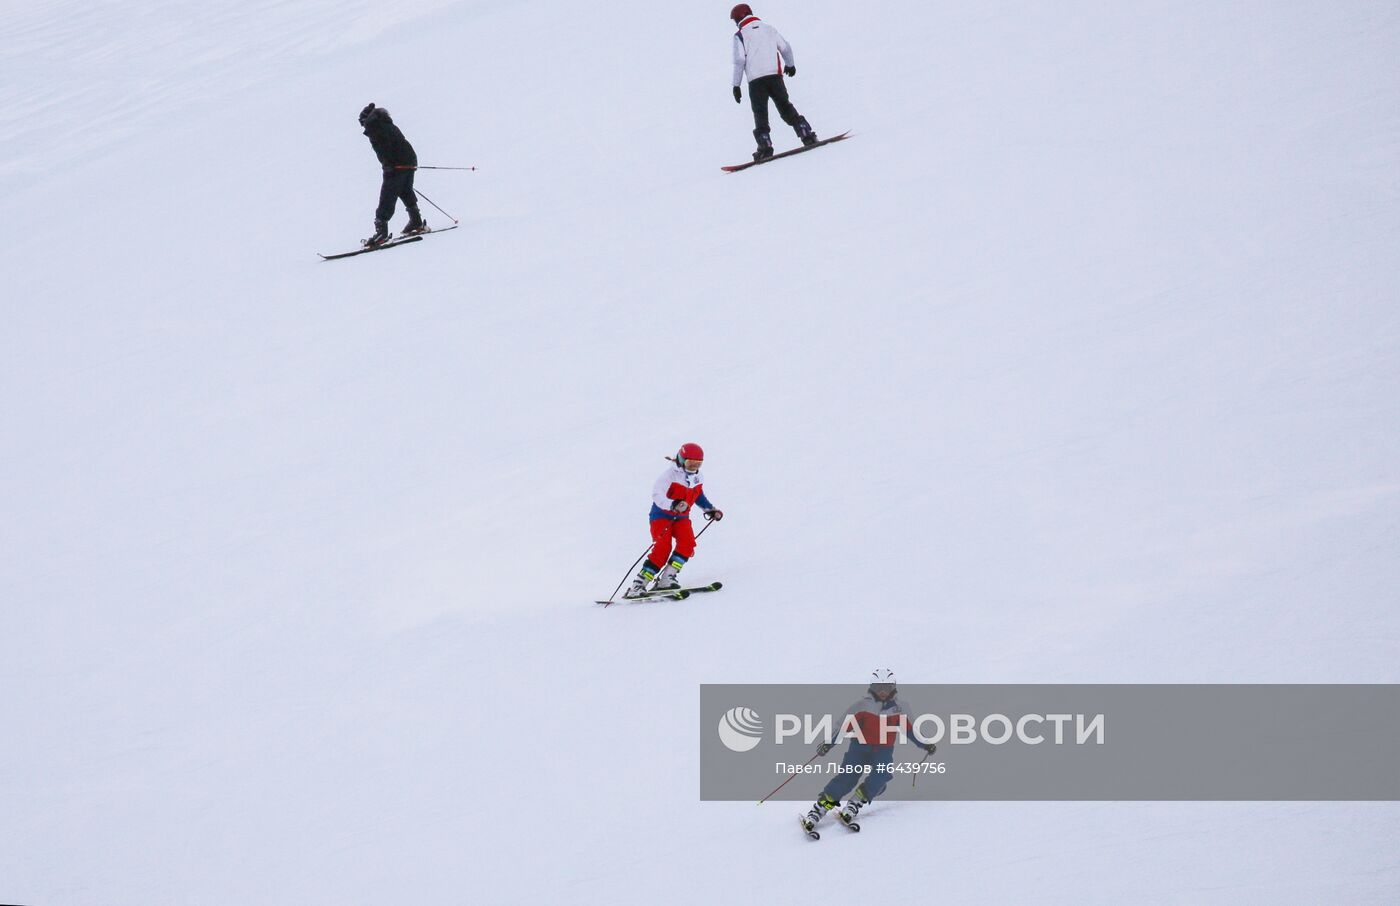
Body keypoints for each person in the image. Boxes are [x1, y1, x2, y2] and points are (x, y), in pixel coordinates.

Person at [802, 670, 937, 831]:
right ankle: (819, 809)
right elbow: (844, 725)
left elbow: (911, 729)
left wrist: (926, 744)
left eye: (886, 688)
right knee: (847, 777)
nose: (882, 692)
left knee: (881, 776)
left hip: (883, 750)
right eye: (878, 687)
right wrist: (829, 743)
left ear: (893, 688)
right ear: (871, 687)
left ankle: (855, 803)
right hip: (859, 748)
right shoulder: (862, 706)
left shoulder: (900, 708)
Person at [625, 443, 724, 598]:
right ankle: (638, 585)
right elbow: (657, 495)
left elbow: (697, 495)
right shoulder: (669, 475)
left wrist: (710, 509)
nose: (693, 468)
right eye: (690, 464)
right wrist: (672, 504)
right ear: (681, 459)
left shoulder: (698, 477)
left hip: (682, 518)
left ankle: (667, 578)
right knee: (662, 549)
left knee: (688, 544)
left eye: (697, 464)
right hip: (662, 517)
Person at [730, 4, 817, 162]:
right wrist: (790, 64)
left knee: (760, 113)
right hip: (775, 76)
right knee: (785, 106)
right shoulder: (769, 29)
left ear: (739, 19)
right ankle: (805, 132)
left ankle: (765, 146)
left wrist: (736, 85)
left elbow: (739, 60)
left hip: (756, 81)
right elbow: (785, 47)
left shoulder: (740, 35)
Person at [358, 103, 425, 247]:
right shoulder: (385, 125)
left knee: (387, 195)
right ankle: (416, 221)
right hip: (408, 161)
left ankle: (381, 232)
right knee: (405, 190)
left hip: (397, 166)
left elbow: (387, 148)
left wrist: (390, 166)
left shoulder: (377, 129)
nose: (363, 126)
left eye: (363, 123)